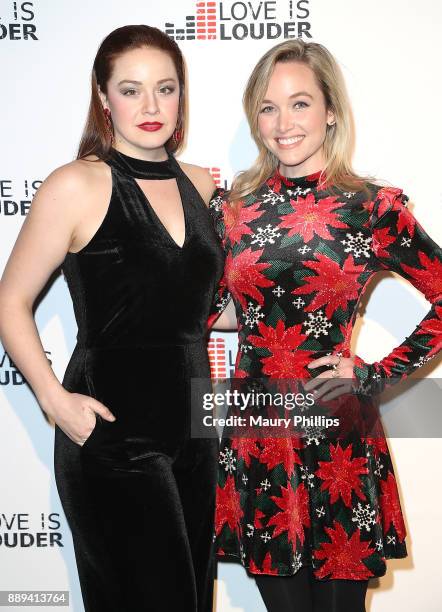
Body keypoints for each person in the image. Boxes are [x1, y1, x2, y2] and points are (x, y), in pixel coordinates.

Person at [208, 39, 442, 611]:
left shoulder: (371, 207)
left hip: (337, 434)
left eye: (300, 103)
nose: (283, 123)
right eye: (267, 107)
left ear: (331, 110)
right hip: (258, 434)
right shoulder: (231, 210)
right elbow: (218, 309)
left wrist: (375, 374)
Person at [0, 25, 224, 612]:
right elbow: (10, 301)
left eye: (165, 89)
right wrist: (53, 399)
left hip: (197, 431)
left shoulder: (204, 185)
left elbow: (198, 310)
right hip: (112, 430)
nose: (151, 107)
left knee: (195, 599)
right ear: (103, 98)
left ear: (182, 96)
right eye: (131, 90)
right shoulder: (76, 185)